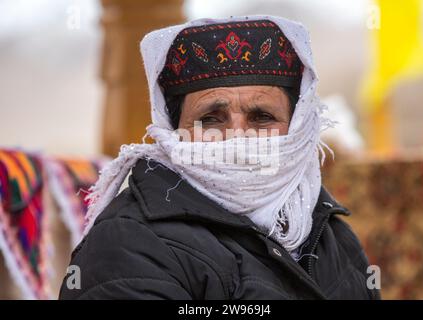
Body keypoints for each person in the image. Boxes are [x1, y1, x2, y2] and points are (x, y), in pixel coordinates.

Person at [59, 15, 380, 300]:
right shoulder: (128, 245)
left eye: (262, 116)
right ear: (173, 129)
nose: (238, 135)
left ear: (297, 127)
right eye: (211, 118)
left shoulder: (327, 232)